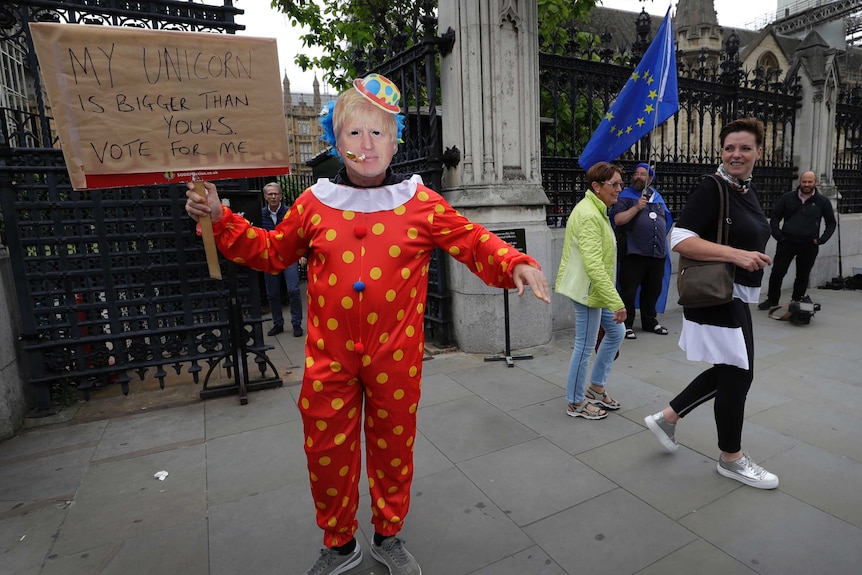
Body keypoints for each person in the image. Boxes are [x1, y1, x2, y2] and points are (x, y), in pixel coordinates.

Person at [184, 73, 551, 575]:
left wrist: (515, 262)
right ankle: (338, 543)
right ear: (337, 142)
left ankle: (387, 534)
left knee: (393, 447)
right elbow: (271, 252)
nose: (367, 143)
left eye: (378, 132)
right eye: (354, 133)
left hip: (394, 358)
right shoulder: (313, 204)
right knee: (325, 449)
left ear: (395, 139)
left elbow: (471, 238)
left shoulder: (421, 203)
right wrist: (220, 218)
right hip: (328, 357)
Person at [644, 118, 778, 489]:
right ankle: (730, 458)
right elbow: (679, 238)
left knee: (731, 371)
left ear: (758, 153)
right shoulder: (712, 187)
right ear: (721, 152)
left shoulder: (746, 191)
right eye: (730, 148)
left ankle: (667, 418)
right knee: (739, 374)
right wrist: (736, 255)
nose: (736, 154)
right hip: (718, 292)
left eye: (745, 148)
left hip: (735, 293)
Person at [555, 161, 627, 420]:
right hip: (588, 292)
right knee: (584, 346)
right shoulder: (588, 214)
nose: (619, 188)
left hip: (595, 290)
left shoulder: (597, 209)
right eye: (614, 184)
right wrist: (616, 302)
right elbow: (593, 264)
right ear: (596, 187)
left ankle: (595, 387)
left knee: (616, 332)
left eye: (621, 183)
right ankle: (575, 402)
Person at [610, 162, 673, 340]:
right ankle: (626, 324)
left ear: (650, 178)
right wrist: (637, 207)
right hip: (634, 252)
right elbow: (618, 220)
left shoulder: (657, 197)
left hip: (656, 252)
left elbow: (665, 220)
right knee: (628, 290)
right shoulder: (625, 196)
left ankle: (650, 321)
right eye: (636, 173)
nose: (638, 176)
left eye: (643, 174)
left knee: (653, 289)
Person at [757, 171, 836, 310]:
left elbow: (831, 223)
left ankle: (796, 300)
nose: (806, 185)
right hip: (787, 242)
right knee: (777, 272)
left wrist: (821, 240)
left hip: (809, 244)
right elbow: (775, 217)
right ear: (800, 182)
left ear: (815, 183)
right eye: (804, 181)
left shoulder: (822, 201)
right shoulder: (787, 198)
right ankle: (772, 300)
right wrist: (778, 236)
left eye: (809, 182)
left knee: (803, 275)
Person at [261, 181, 306, 337]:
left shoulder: (289, 213)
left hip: (289, 256)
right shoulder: (261, 215)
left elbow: (299, 233)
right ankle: (278, 323)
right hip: (270, 258)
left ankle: (296, 324)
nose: (273, 197)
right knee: (272, 293)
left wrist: (301, 254)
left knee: (293, 289)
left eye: (276, 194)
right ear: (265, 197)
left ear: (280, 196)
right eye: (270, 194)